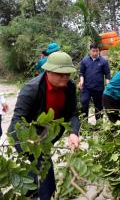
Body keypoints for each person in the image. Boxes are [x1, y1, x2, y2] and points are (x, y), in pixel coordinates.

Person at [8, 51, 80, 199]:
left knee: (36, 165)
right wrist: (30, 140)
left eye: (68, 73)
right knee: (44, 168)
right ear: (48, 71)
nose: (65, 77)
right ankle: (46, 195)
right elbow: (17, 121)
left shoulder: (70, 87)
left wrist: (73, 132)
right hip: (24, 136)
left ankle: (30, 192)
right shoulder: (31, 89)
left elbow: (73, 114)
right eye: (61, 74)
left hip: (46, 134)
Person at [79, 43, 110, 121]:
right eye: (93, 51)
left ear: (99, 51)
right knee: (84, 102)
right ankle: (84, 122)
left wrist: (108, 85)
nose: (95, 53)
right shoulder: (84, 60)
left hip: (98, 88)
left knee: (99, 106)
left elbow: (107, 74)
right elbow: (81, 73)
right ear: (90, 51)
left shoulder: (104, 61)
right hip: (86, 88)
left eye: (97, 51)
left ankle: (98, 123)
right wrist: (81, 81)